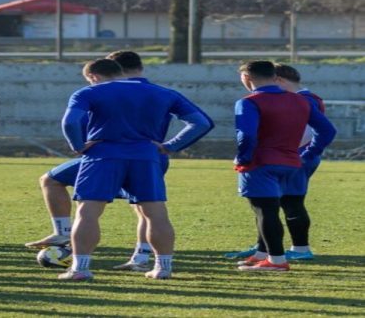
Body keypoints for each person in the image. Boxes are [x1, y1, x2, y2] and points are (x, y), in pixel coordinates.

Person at [25, 49, 215, 275]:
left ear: (93, 76)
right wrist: (170, 146)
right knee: (156, 213)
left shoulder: (88, 92)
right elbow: (201, 122)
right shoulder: (164, 93)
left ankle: (80, 269)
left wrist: (77, 145)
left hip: (103, 155)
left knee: (88, 212)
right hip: (146, 156)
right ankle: (162, 268)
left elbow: (71, 121)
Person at [232, 60, 335, 272]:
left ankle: (277, 260)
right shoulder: (301, 101)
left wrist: (243, 158)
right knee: (284, 206)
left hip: (262, 162)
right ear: (273, 76)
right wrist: (309, 153)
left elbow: (247, 135)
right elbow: (328, 131)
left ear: (246, 78)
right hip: (291, 162)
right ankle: (264, 253)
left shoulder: (250, 102)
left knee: (265, 211)